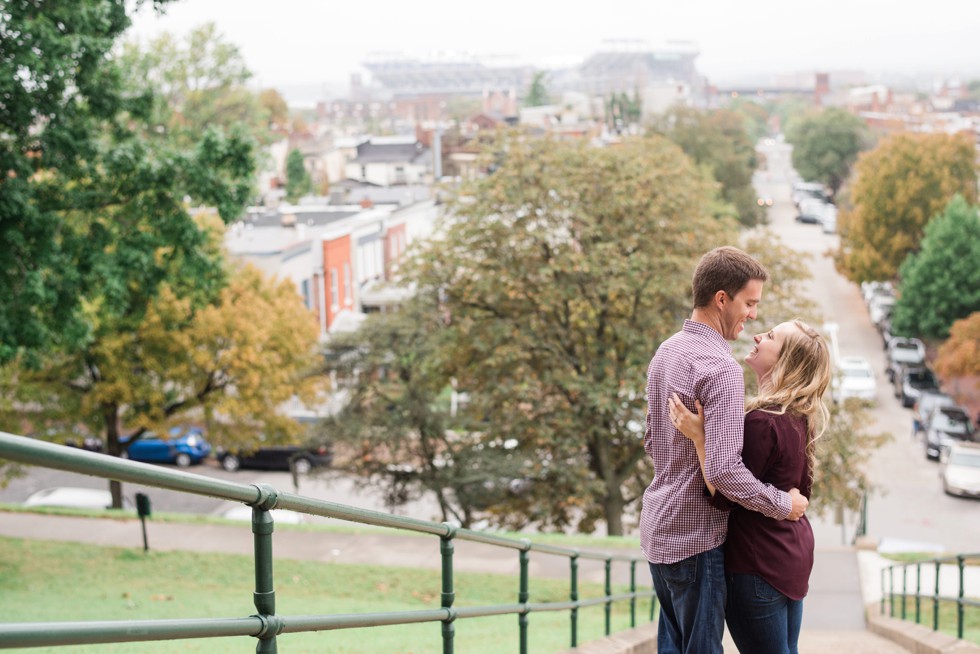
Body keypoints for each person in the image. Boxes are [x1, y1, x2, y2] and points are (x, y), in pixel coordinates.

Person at [638, 246, 808, 654]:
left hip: (658, 531)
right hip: (696, 540)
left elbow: (650, 439)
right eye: (749, 303)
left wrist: (696, 442)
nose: (753, 315)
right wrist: (782, 504)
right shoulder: (722, 369)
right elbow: (726, 471)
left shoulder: (667, 351)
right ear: (721, 299)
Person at [669, 319, 831, 654]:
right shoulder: (798, 417)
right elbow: (802, 491)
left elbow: (725, 493)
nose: (758, 334)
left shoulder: (761, 422)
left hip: (759, 566)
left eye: (771, 336)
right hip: (790, 557)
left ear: (784, 361)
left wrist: (700, 438)